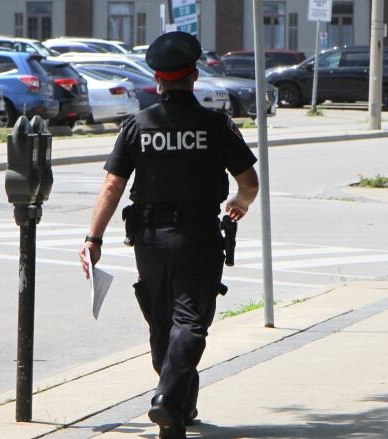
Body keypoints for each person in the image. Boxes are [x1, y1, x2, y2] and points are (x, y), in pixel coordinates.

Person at [79, 31, 260, 439]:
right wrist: (241, 203)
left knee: (163, 322)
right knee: (190, 322)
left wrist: (93, 238)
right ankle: (168, 399)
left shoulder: (138, 125)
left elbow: (112, 185)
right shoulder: (215, 125)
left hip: (149, 239)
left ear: (157, 80)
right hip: (197, 236)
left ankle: (178, 408)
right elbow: (249, 181)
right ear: (193, 76)